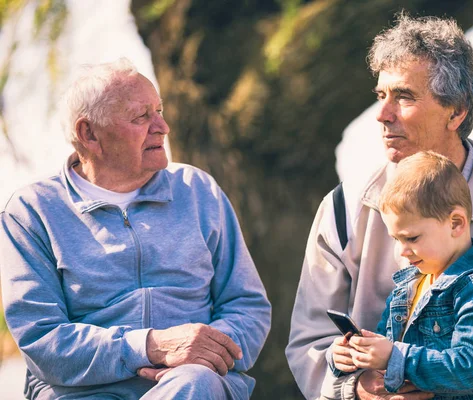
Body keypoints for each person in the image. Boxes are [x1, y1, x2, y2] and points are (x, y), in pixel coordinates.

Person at [286, 14, 473, 400]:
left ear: (457, 111)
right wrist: (359, 391)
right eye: (380, 96)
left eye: (403, 96)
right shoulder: (342, 206)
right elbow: (311, 341)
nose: (383, 115)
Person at [0, 58, 271, 400]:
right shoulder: (31, 212)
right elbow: (42, 340)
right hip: (80, 393)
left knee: (193, 385)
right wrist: (150, 346)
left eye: (159, 110)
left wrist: (204, 353)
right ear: (89, 134)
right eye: (141, 116)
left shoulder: (198, 190)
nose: (162, 126)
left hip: (193, 383)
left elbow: (247, 305)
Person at [327, 151, 473, 399]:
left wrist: (394, 356)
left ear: (456, 224)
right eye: (396, 239)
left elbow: (472, 370)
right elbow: (386, 353)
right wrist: (354, 356)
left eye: (412, 238)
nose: (402, 250)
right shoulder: (407, 286)